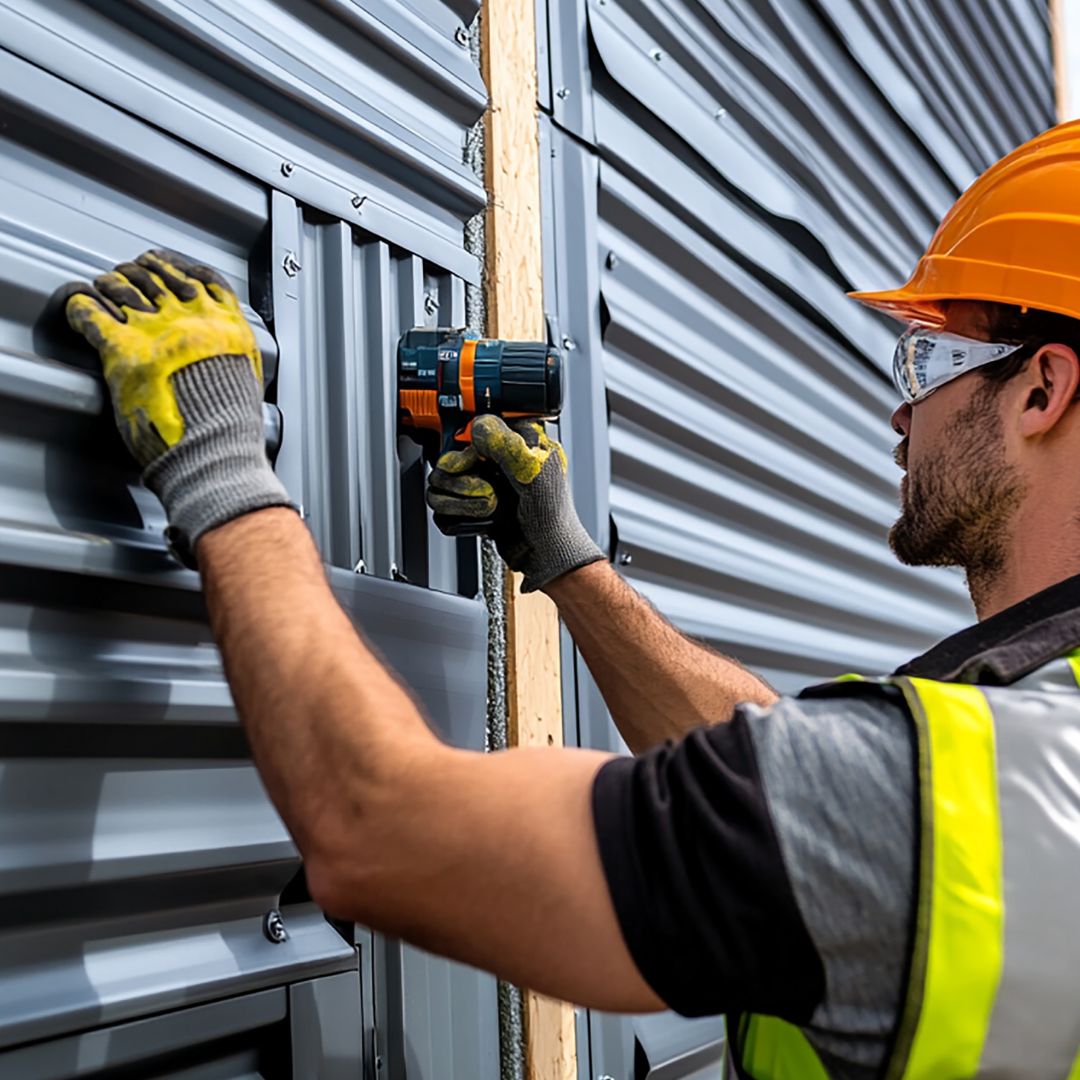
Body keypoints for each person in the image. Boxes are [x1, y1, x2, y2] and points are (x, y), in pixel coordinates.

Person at [59, 119, 1080, 1080]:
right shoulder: (1024, 752)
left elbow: (378, 829)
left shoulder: (988, 792)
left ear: (1041, 387)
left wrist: (223, 472)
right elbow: (800, 812)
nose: (903, 408)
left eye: (928, 354)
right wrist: (567, 563)